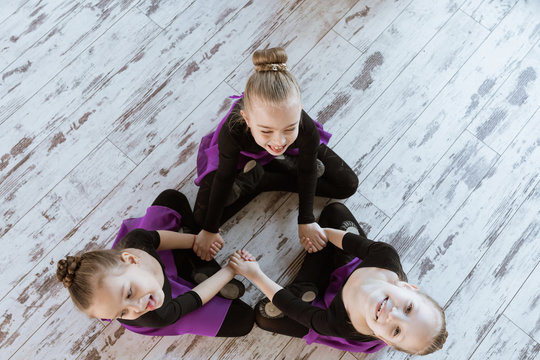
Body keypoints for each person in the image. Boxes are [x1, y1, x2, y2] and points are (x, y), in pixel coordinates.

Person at [193, 47, 358, 261]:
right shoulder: (232, 131)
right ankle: (267, 171)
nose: (278, 141)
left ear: (299, 111)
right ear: (247, 119)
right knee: (201, 218)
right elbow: (224, 178)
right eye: (266, 131)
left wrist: (306, 219)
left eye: (289, 128)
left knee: (347, 184)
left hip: (296, 150)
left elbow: (308, 170)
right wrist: (209, 229)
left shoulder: (304, 129)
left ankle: (264, 177)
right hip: (244, 157)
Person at [228, 202, 448, 355]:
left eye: (396, 330)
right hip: (347, 268)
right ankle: (309, 284)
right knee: (336, 212)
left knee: (264, 315)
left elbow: (295, 310)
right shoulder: (385, 258)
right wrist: (316, 232)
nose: (393, 315)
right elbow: (344, 240)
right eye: (408, 308)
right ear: (408, 287)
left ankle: (309, 288)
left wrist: (254, 274)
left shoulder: (343, 326)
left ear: (384, 339)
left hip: (331, 307)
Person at [56, 189, 254, 337]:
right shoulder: (153, 315)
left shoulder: (135, 243)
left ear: (132, 259)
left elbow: (158, 240)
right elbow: (195, 298)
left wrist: (197, 241)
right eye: (123, 313)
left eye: (129, 293)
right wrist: (229, 270)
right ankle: (197, 269)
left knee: (171, 199)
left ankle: (196, 264)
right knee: (243, 321)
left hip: (155, 263)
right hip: (172, 302)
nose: (137, 307)